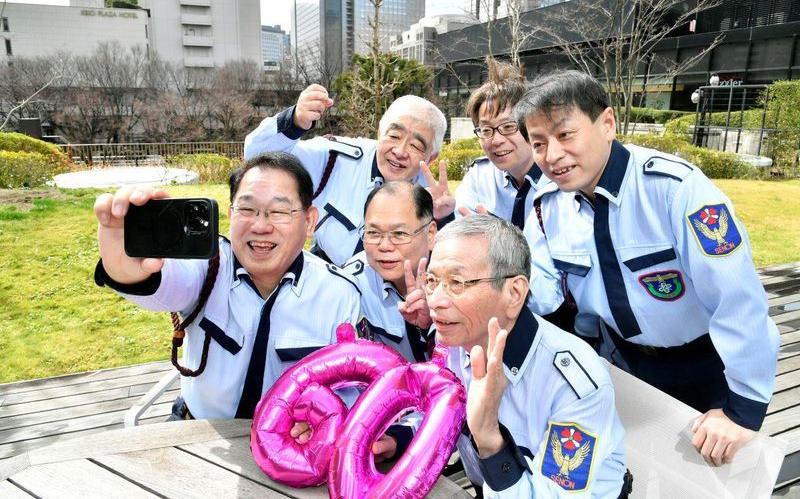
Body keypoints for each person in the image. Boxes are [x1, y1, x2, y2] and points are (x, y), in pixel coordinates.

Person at [515, 69, 780, 467]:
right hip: (622, 364)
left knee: (705, 481)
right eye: (538, 143)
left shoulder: (674, 189)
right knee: (634, 472)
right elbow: (543, 294)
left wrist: (742, 408)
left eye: (565, 134)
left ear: (607, 123)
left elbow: (737, 300)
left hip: (707, 366)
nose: (551, 155)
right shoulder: (546, 207)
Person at [93, 151, 361, 420]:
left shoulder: (339, 294)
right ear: (231, 213)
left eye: (278, 211)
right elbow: (163, 282)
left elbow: (352, 387)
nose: (260, 226)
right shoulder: (207, 267)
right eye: (247, 209)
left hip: (295, 439)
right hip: (198, 432)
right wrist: (123, 270)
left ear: (309, 221)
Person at [424, 214, 629, 497]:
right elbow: (436, 416)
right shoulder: (453, 342)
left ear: (514, 292)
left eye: (456, 282)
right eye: (431, 280)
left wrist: (489, 440)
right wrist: (399, 439)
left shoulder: (574, 385)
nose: (435, 300)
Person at [243, 84, 451, 266]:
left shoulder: (433, 198)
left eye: (415, 146)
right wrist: (295, 120)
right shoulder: (334, 159)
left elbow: (448, 261)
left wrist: (443, 219)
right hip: (327, 277)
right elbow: (256, 156)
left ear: (431, 157)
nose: (400, 151)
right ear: (379, 133)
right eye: (394, 136)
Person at [343, 181, 436, 364]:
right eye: (373, 233)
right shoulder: (353, 281)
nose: (385, 246)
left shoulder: (460, 281)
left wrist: (432, 325)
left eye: (399, 234)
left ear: (430, 233)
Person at [455, 58, 551, 229]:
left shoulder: (559, 177)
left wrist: (499, 237)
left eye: (508, 127)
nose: (496, 140)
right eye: (486, 130)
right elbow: (461, 230)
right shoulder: (480, 176)